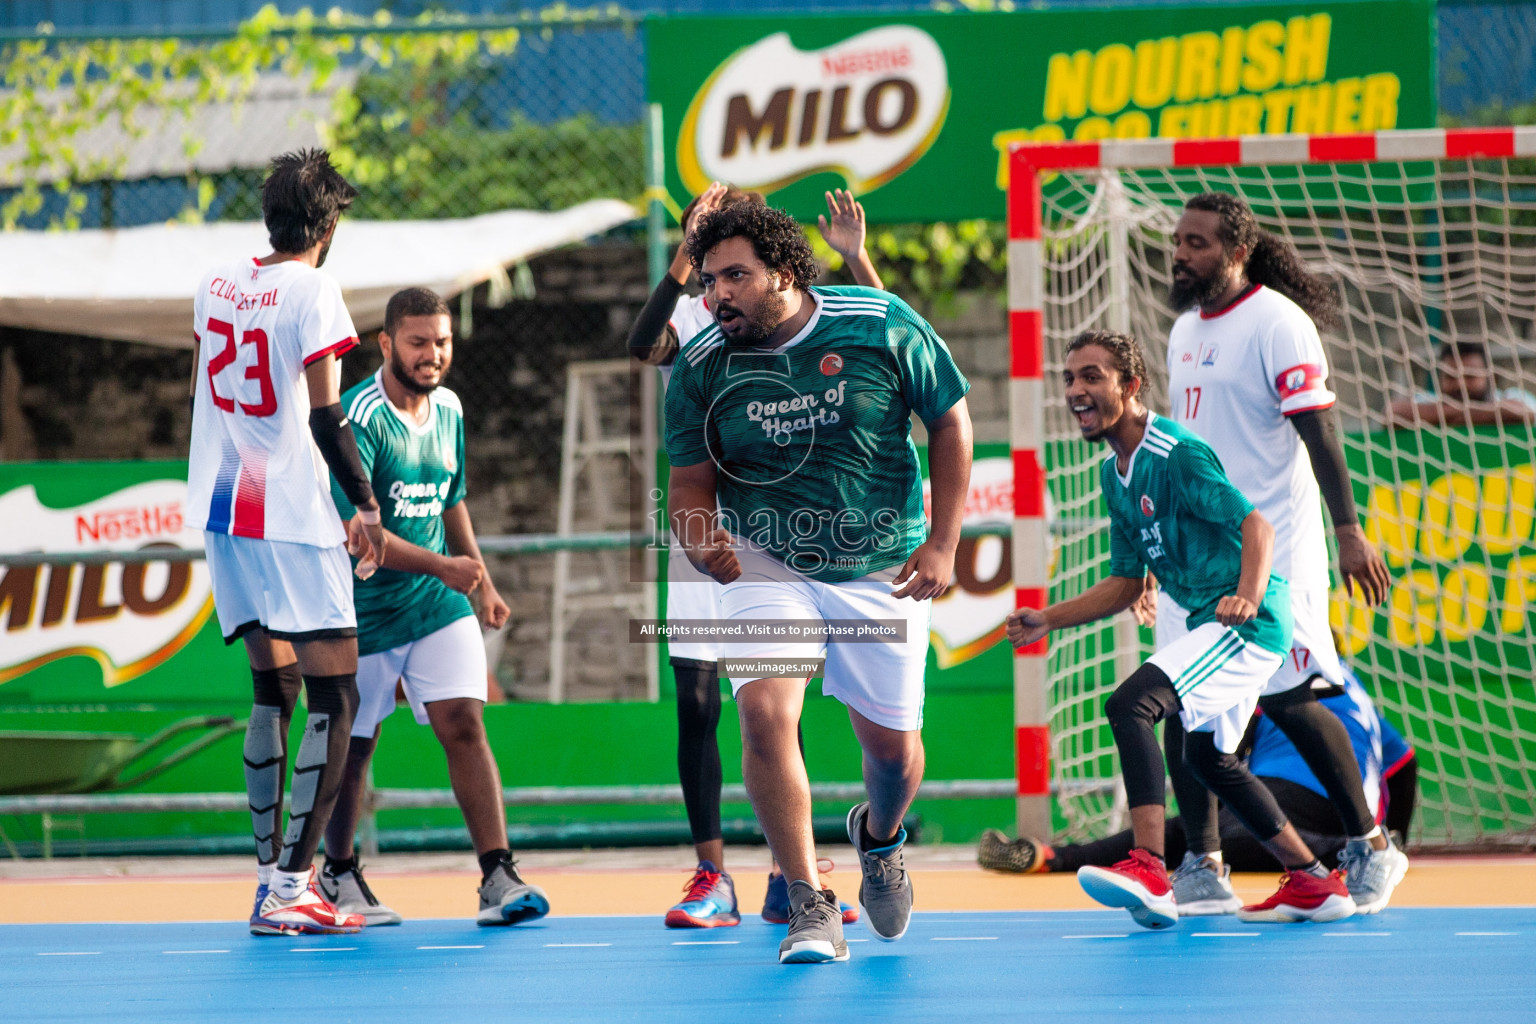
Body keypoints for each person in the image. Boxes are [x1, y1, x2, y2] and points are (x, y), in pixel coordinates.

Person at [665, 201, 972, 963]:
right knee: (766, 711)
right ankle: (808, 901)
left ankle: (880, 836)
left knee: (896, 755)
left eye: (735, 276)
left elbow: (951, 422)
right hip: (767, 558)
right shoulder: (704, 366)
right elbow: (689, 489)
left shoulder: (880, 323)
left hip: (881, 564)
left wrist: (942, 543)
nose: (717, 295)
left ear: (786, 274)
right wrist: (703, 542)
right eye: (708, 281)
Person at [1007, 329, 1355, 930]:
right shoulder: (1114, 474)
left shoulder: (1176, 453)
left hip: (1249, 625)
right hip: (1211, 622)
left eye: (1091, 376)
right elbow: (1123, 583)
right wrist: (1047, 617)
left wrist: (1246, 596)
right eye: (1068, 378)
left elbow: (1257, 527)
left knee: (1131, 705)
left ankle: (1148, 864)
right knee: (1210, 761)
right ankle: (1314, 882)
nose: (1075, 390)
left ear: (1131, 386)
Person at [626, 185, 880, 929]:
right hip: (705, 527)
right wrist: (686, 255)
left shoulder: (790, 305)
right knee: (700, 701)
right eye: (705, 251)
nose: (719, 280)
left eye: (728, 253)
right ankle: (712, 874)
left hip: (782, 527)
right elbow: (640, 348)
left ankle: (787, 873)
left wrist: (856, 256)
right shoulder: (689, 310)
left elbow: (891, 329)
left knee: (776, 700)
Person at [1161, 192, 1407, 916]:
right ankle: (1202, 867)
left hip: (1281, 555)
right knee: (1181, 696)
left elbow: (1320, 434)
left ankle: (1372, 846)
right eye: (1178, 241)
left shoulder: (1278, 323)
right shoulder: (1182, 331)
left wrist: (1349, 530)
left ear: (1236, 252)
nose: (1181, 253)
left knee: (1290, 696)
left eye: (1198, 243)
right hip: (1200, 555)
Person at [187, 148, 384, 936]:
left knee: (275, 689)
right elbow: (324, 415)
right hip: (287, 513)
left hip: (222, 503)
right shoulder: (314, 288)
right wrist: (365, 503)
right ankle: (293, 888)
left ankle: (271, 878)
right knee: (339, 694)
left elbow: (207, 379)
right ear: (329, 223)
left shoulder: (214, 281)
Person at [317, 287, 550, 928]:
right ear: (387, 344)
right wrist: (446, 567)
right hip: (362, 609)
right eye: (418, 342)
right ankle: (338, 874)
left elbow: (452, 499)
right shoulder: (358, 417)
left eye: (442, 342)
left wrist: (481, 583)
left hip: (434, 605)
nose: (433, 354)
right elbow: (359, 534)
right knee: (355, 744)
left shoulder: (448, 407)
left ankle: (498, 874)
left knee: (465, 724)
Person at [980, 664, 1418, 878]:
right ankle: (1372, 847)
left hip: (1285, 793)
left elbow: (1226, 755)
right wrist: (1397, 830)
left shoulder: (1269, 671)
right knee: (1209, 838)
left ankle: (1058, 856)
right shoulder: (1355, 690)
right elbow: (1404, 765)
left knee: (1198, 837)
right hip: (1353, 810)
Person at [1389, 341, 1536, 428]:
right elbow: (1393, 413)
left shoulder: (1512, 395)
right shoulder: (1427, 401)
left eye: (1470, 376)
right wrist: (1484, 415)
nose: (1460, 385)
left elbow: (1523, 413)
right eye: (1451, 377)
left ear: (1491, 378)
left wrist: (1441, 417)